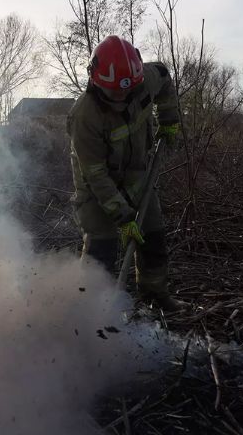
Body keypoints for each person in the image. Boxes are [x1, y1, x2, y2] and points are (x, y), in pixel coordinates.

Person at [67, 35, 186, 311]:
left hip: (137, 178)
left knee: (153, 238)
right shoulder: (84, 116)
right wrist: (123, 217)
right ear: (96, 81)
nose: (121, 97)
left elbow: (165, 76)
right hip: (96, 189)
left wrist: (169, 119)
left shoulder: (144, 80)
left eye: (127, 90)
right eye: (114, 93)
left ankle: (155, 296)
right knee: (102, 250)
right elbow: (95, 176)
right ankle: (93, 312)